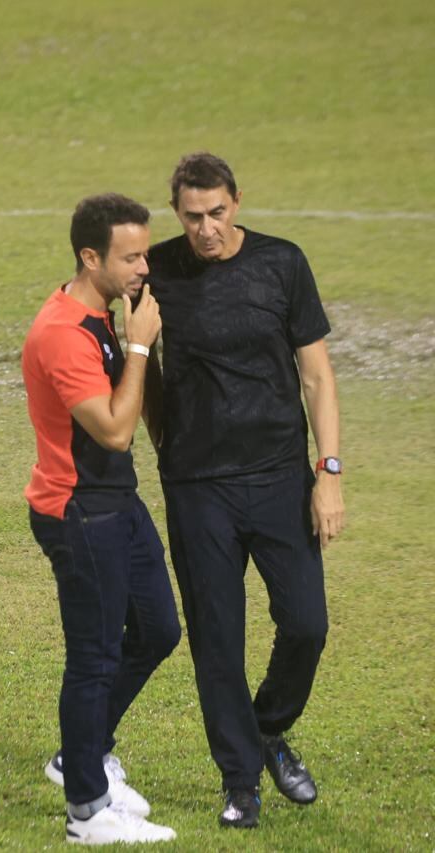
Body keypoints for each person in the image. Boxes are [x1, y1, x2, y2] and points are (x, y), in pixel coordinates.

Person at [147, 152, 344, 828]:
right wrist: (162, 440)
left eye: (217, 212)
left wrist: (330, 473)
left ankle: (265, 729)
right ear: (177, 212)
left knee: (306, 624)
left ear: (237, 201)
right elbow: (141, 364)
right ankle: (241, 782)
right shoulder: (159, 273)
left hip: (279, 477)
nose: (205, 228)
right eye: (192, 215)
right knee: (216, 637)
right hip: (197, 486)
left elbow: (316, 376)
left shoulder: (282, 263)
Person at [22, 194, 180, 845]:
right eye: (131, 256)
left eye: (145, 251)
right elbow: (114, 430)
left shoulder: (105, 310)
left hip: (119, 502)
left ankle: (80, 754)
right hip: (79, 511)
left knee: (158, 629)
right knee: (94, 655)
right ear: (91, 257)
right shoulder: (64, 332)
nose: (146, 266)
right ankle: (86, 808)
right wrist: (140, 347)